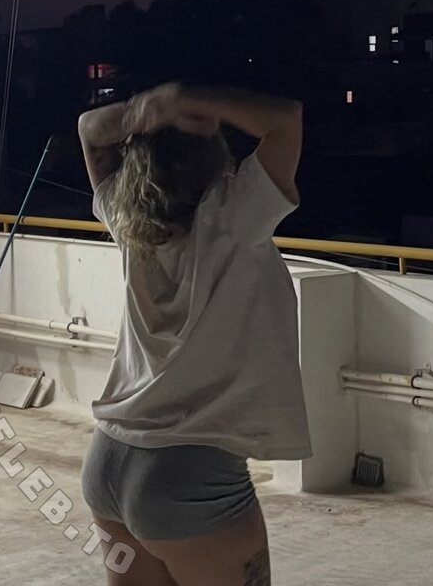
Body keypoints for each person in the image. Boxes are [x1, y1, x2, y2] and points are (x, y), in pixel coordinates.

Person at [77, 82, 311, 586]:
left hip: (109, 460)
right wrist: (184, 97)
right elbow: (285, 118)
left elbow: (89, 131)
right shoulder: (235, 217)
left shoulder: (127, 221)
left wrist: (143, 113)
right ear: (215, 159)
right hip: (190, 477)